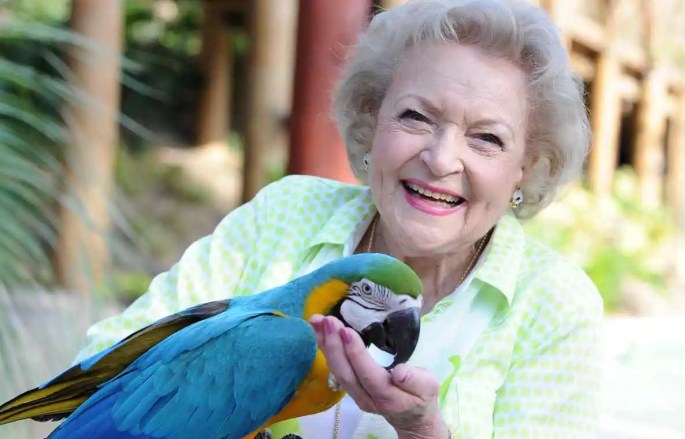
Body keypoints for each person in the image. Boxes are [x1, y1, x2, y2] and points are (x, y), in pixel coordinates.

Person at [75, 0, 602, 437]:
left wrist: (423, 432)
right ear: (373, 120)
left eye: (487, 138)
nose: (442, 160)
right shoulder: (286, 215)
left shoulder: (552, 303)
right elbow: (110, 371)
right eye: (416, 117)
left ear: (524, 169)